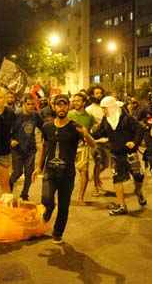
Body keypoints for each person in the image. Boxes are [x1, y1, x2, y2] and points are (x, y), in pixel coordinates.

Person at [33, 94, 96, 243]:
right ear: (54, 107)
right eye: (58, 105)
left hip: (67, 174)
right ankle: (48, 209)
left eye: (64, 105)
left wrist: (86, 135)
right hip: (50, 171)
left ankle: (57, 232)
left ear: (68, 107)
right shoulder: (47, 126)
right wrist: (38, 167)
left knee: (64, 206)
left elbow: (93, 145)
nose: (61, 108)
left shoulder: (76, 127)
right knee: (46, 199)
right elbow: (44, 147)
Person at [93, 96, 146, 215]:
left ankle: (138, 192)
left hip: (129, 153)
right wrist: (87, 134)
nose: (103, 111)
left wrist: (134, 142)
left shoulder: (126, 118)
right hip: (116, 154)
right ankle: (122, 206)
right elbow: (99, 133)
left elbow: (140, 129)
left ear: (111, 107)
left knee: (138, 176)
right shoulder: (106, 120)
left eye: (105, 108)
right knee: (117, 179)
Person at [9, 94, 43, 201]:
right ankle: (8, 189)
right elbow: (6, 130)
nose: (31, 106)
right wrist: (10, 140)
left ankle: (24, 194)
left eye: (33, 104)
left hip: (30, 148)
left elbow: (44, 127)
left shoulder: (35, 116)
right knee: (18, 172)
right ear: (24, 104)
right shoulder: (16, 115)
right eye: (29, 104)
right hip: (17, 149)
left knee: (29, 173)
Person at [67, 92, 96, 204]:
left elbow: (94, 128)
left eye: (78, 100)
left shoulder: (89, 117)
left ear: (84, 102)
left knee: (84, 172)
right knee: (67, 173)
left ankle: (80, 198)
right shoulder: (69, 114)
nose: (75, 102)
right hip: (68, 147)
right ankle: (65, 195)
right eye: (74, 100)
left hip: (82, 147)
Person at [86, 85, 108, 196]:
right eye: (97, 93)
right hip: (95, 140)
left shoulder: (105, 107)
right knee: (98, 163)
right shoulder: (89, 109)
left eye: (101, 93)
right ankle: (96, 187)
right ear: (92, 95)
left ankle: (96, 178)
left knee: (106, 164)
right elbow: (87, 126)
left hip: (107, 140)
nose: (99, 95)